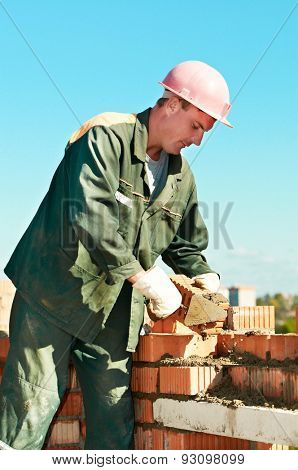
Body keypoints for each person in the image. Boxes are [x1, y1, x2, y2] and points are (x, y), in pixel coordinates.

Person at [0, 60, 232, 450]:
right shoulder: (106, 135)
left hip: (113, 311)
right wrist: (142, 277)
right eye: (196, 126)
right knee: (29, 407)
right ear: (173, 103)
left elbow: (185, 244)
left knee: (113, 423)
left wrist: (206, 277)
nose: (197, 140)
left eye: (204, 133)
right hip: (53, 293)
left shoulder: (181, 177)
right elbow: (88, 213)